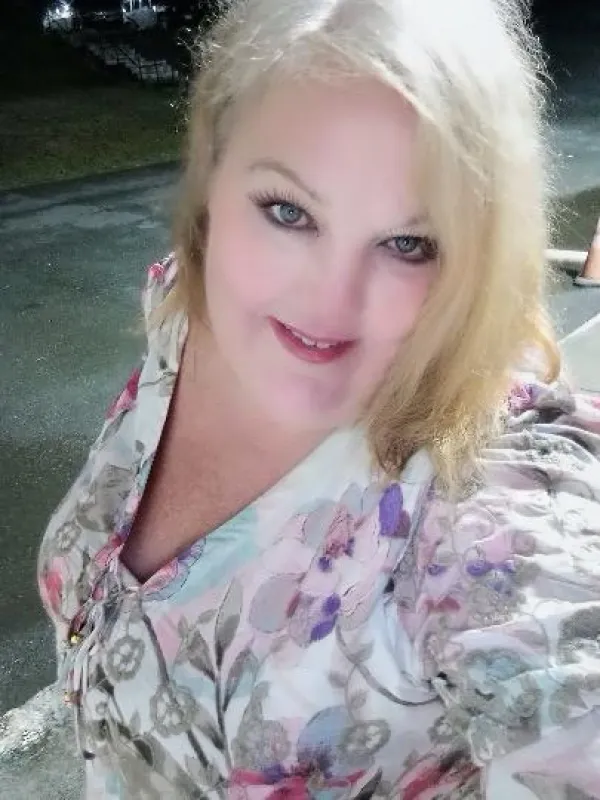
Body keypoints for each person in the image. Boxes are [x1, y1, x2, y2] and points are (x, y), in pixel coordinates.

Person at [38, 0, 600, 796]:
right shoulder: (187, 314)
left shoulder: (488, 498)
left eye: (409, 243)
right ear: (211, 179)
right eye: (288, 211)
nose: (329, 304)